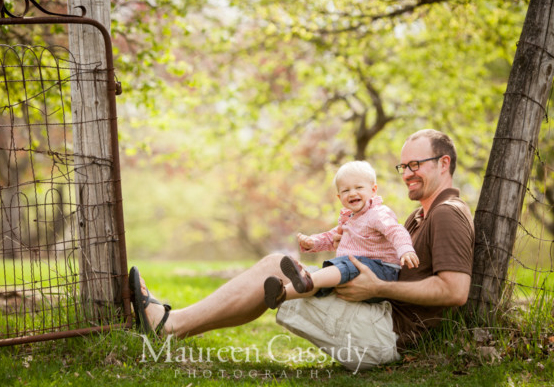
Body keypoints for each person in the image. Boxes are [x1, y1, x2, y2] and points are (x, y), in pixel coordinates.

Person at [129, 129, 474, 371]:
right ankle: (175, 329)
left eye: (416, 165)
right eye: (404, 166)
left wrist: (378, 287)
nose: (408, 174)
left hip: (388, 336)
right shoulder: (420, 215)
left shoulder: (447, 214)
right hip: (381, 315)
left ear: (443, 163)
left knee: (276, 269)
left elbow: (455, 291)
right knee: (276, 276)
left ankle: (167, 325)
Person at [263, 160, 419, 310]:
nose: (352, 193)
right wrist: (313, 242)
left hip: (382, 272)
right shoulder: (349, 218)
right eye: (346, 190)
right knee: (322, 279)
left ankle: (307, 279)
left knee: (343, 264)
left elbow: (395, 230)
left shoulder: (377, 213)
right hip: (355, 268)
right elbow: (332, 237)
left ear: (373, 190)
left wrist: (405, 249)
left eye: (359, 187)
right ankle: (282, 294)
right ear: (339, 197)